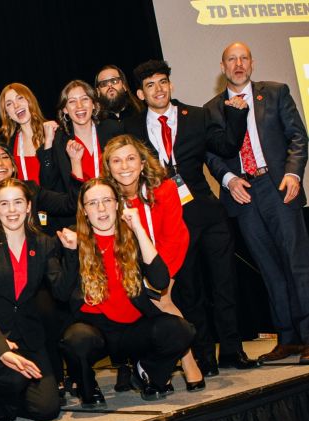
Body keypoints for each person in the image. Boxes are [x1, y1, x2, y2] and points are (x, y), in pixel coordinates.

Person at [124, 59, 258, 377]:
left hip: (207, 214)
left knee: (223, 283)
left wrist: (237, 114)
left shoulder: (196, 115)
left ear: (171, 85)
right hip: (168, 219)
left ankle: (231, 349)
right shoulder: (132, 127)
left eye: (163, 82)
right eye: (150, 85)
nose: (159, 89)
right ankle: (203, 355)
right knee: (189, 290)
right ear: (141, 94)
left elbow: (226, 146)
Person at [204, 42, 309, 365]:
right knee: (268, 267)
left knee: (296, 263)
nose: (238, 64)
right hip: (245, 193)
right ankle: (287, 338)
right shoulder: (211, 109)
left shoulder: (276, 93)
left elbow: (298, 137)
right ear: (223, 68)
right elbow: (210, 153)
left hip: (279, 186)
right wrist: (229, 180)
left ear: (252, 63)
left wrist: (294, 174)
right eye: (232, 60)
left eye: (244, 58)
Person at [59, 178, 195, 407]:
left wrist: (139, 228)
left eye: (107, 201)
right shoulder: (71, 238)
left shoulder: (132, 236)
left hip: (133, 328)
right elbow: (61, 293)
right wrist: (72, 253)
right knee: (76, 340)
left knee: (181, 330)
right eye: (93, 203)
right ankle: (86, 384)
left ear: (117, 205)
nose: (101, 208)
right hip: (95, 329)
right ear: (83, 210)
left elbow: (161, 281)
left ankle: (146, 371)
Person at [0, 178, 76, 421]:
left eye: (18, 202)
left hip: (29, 336)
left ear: (28, 206)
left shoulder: (44, 244)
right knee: (9, 387)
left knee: (47, 409)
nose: (12, 210)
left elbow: (61, 291)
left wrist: (71, 253)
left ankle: (10, 394)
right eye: (4, 204)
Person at [101, 135, 207, 391]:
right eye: (117, 161)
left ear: (141, 163)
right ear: (109, 167)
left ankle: (186, 362)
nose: (124, 166)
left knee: (162, 298)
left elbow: (174, 237)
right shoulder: (107, 199)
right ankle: (158, 364)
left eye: (130, 159)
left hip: (166, 257)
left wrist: (157, 278)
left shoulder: (165, 189)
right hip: (128, 267)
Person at [42, 80, 122, 198]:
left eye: (84, 99)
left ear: (94, 104)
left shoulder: (113, 129)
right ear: (65, 109)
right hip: (78, 210)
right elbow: (48, 184)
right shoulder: (59, 141)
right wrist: (48, 142)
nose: (79, 106)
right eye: (72, 101)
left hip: (114, 202)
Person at [0, 83, 60, 185]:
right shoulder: (6, 146)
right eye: (9, 104)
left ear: (30, 100)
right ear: (6, 114)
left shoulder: (55, 133)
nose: (16, 105)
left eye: (20, 98)